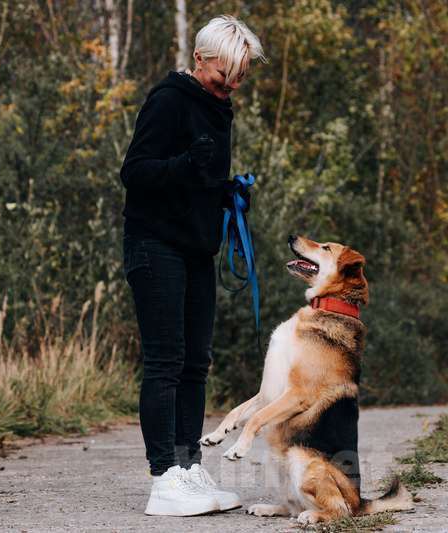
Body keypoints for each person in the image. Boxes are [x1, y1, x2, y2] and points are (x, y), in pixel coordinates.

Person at [119, 15, 265, 517]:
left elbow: (198, 180)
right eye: (223, 78)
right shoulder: (168, 100)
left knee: (196, 362)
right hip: (154, 244)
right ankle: (163, 478)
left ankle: (187, 467)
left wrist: (224, 192)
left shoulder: (217, 108)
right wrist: (185, 165)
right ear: (199, 60)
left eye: (239, 79)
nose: (230, 88)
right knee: (165, 360)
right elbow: (134, 174)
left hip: (196, 249)